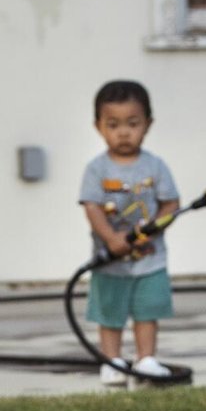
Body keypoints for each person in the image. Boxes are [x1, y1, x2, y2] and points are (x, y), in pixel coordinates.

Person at [78, 80, 180, 384]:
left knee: (147, 311)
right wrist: (111, 239)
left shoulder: (155, 166)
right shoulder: (97, 169)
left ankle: (146, 359)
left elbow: (171, 203)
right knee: (109, 312)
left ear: (147, 124)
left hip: (151, 260)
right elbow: (92, 206)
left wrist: (153, 229)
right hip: (110, 260)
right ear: (98, 126)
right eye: (113, 124)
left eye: (132, 124)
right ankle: (112, 361)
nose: (123, 132)